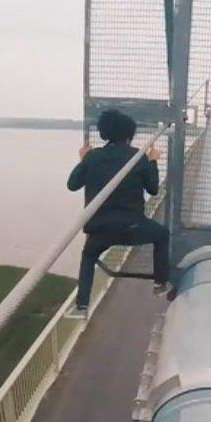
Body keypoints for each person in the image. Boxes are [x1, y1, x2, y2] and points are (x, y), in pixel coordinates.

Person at [66, 109, 170, 318]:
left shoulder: (93, 157)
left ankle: (82, 306)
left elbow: (72, 185)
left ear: (105, 133)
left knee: (88, 255)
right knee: (162, 234)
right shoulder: (137, 157)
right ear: (129, 134)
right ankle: (160, 284)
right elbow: (153, 189)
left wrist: (83, 159)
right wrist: (152, 161)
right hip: (132, 227)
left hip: (100, 229)